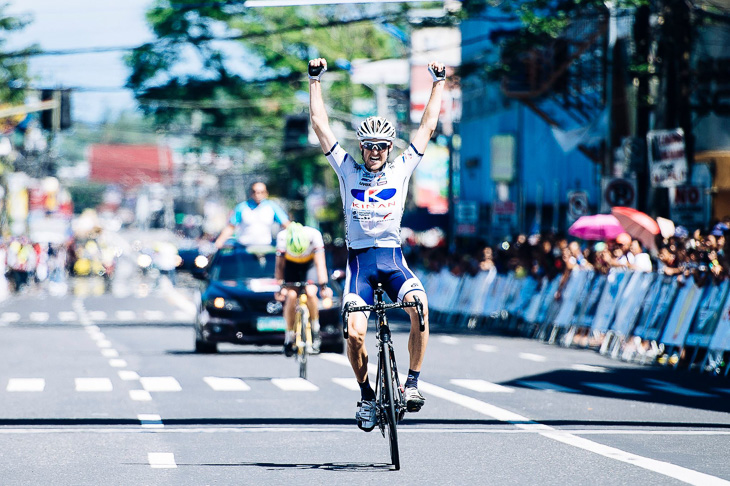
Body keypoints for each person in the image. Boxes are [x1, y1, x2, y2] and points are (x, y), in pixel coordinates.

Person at [308, 57, 445, 431]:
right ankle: (367, 396)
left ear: (389, 147)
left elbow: (428, 126)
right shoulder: (347, 168)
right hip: (359, 267)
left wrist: (438, 83)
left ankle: (412, 383)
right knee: (353, 334)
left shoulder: (401, 169)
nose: (374, 152)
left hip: (393, 260)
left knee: (419, 305)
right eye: (368, 146)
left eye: (381, 146)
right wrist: (315, 80)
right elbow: (320, 125)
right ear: (362, 147)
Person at [274, 222, 333, 355]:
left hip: (309, 264)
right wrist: (280, 287)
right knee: (291, 295)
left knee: (311, 292)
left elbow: (320, 263)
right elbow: (280, 266)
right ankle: (289, 336)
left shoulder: (314, 235)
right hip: (291, 265)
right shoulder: (283, 237)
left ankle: (315, 328)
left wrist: (324, 286)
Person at [215, 182, 290, 248]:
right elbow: (231, 227)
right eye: (255, 192)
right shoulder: (242, 207)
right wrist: (219, 242)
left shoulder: (272, 206)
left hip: (265, 248)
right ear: (251, 193)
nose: (258, 195)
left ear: (266, 193)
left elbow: (285, 223)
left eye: (261, 192)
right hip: (244, 248)